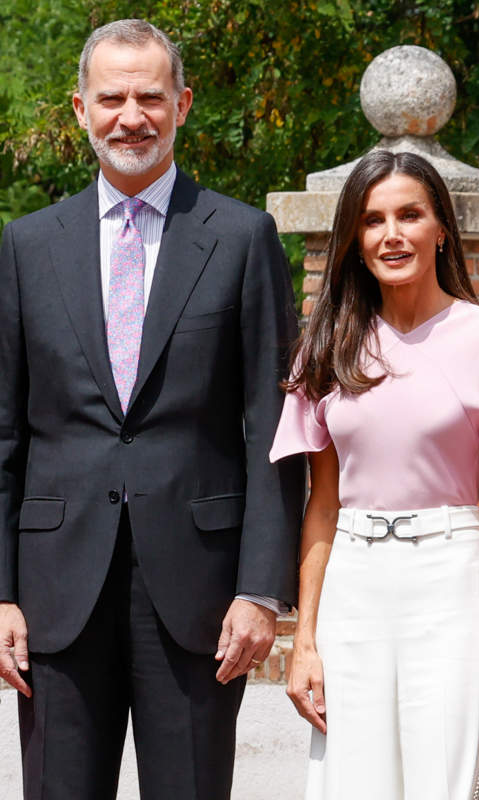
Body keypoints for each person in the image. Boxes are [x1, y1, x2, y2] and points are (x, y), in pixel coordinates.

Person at [0, 18, 304, 800]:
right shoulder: (28, 246)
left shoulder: (242, 237)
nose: (129, 115)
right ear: (79, 108)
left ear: (182, 103)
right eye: (111, 98)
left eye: (149, 96)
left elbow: (273, 426)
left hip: (200, 594)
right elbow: (4, 431)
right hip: (55, 591)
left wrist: (260, 588)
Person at [269, 149, 479, 799]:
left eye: (410, 215)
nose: (392, 235)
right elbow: (322, 505)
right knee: (352, 783)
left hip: (453, 584)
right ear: (354, 242)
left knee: (449, 779)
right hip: (352, 586)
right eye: (372, 221)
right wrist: (304, 640)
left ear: (441, 227)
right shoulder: (326, 343)